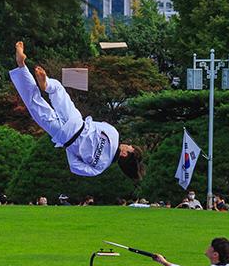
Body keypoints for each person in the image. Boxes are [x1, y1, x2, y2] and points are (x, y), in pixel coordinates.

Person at [9, 41, 143, 181]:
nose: (128, 144)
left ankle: (46, 84)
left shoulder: (113, 133)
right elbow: (74, 166)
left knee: (58, 90)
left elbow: (92, 123)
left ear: (124, 154)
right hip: (65, 136)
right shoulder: (99, 168)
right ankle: (21, 65)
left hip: (76, 121)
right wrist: (69, 146)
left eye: (130, 147)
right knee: (34, 104)